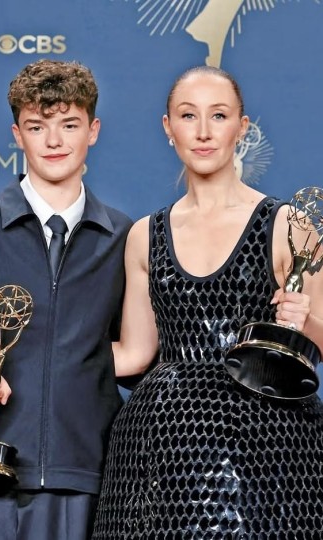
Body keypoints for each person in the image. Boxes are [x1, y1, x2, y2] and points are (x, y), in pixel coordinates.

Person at [91, 66, 323, 538]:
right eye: (187, 115)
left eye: (218, 115)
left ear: (242, 127)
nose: (202, 132)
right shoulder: (145, 235)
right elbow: (136, 353)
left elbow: (318, 342)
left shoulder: (289, 225)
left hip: (268, 443)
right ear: (168, 127)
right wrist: (43, 352)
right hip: (163, 443)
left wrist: (306, 322)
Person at [0, 59, 132, 540]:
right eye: (37, 126)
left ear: (93, 130)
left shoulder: (124, 239)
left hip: (78, 479)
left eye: (69, 124)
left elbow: (143, 355)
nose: (53, 141)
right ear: (17, 135)